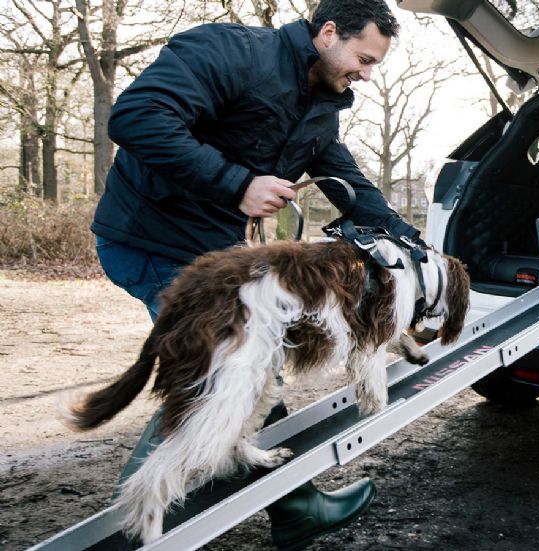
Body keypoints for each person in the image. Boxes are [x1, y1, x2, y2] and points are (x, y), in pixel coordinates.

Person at [91, 1, 419, 549]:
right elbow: (136, 117)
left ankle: (296, 506)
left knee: (255, 367)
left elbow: (342, 177)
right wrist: (235, 183)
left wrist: (407, 238)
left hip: (213, 253)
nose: (366, 73)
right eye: (363, 59)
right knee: (223, 378)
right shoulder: (230, 51)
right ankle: (124, 537)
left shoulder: (322, 104)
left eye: (373, 65)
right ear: (328, 33)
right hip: (148, 239)